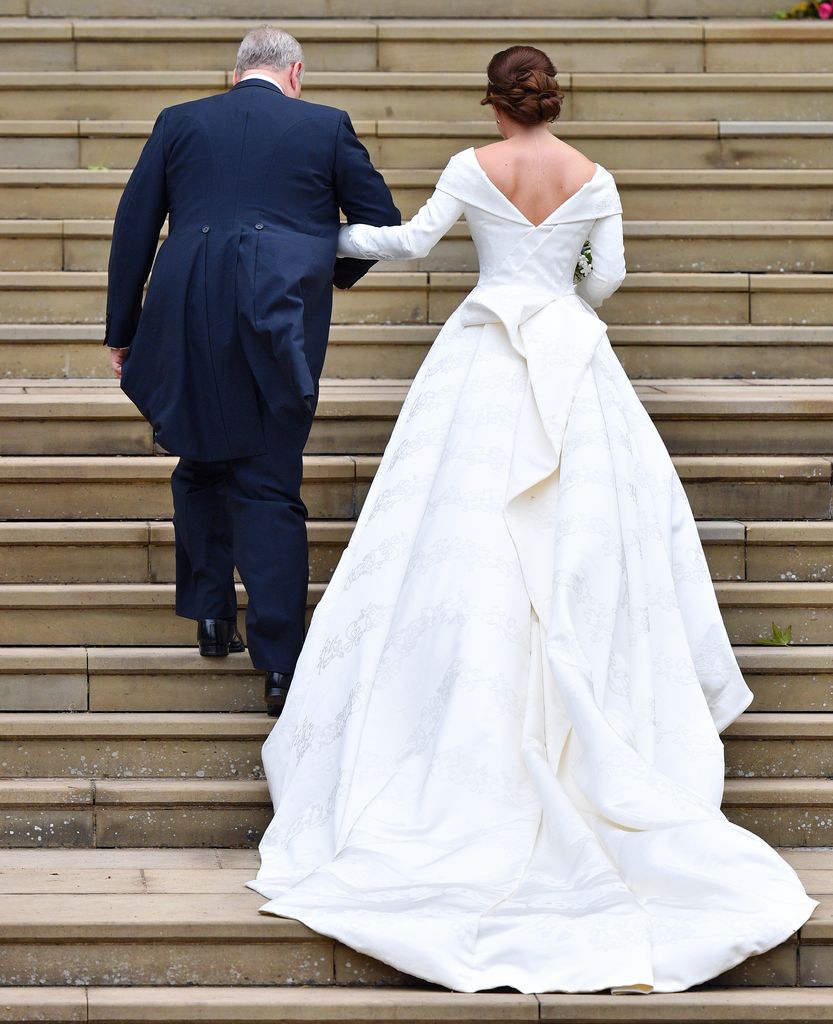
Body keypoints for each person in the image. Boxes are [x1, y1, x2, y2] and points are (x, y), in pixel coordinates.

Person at [248, 45, 817, 994]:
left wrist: (319, 235)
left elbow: (409, 243)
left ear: (493, 101)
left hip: (483, 352)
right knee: (587, 543)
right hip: (567, 351)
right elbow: (605, 284)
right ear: (551, 98)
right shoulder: (593, 177)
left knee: (456, 543)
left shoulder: (474, 167)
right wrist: (565, 274)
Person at [104, 26, 399, 715]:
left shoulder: (179, 122)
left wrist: (123, 329)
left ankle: (210, 615)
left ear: (235, 74)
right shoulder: (325, 126)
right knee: (268, 479)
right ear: (293, 73)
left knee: (201, 460)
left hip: (184, 312)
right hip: (278, 315)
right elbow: (378, 222)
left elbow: (135, 227)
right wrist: (319, 270)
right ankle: (278, 664)